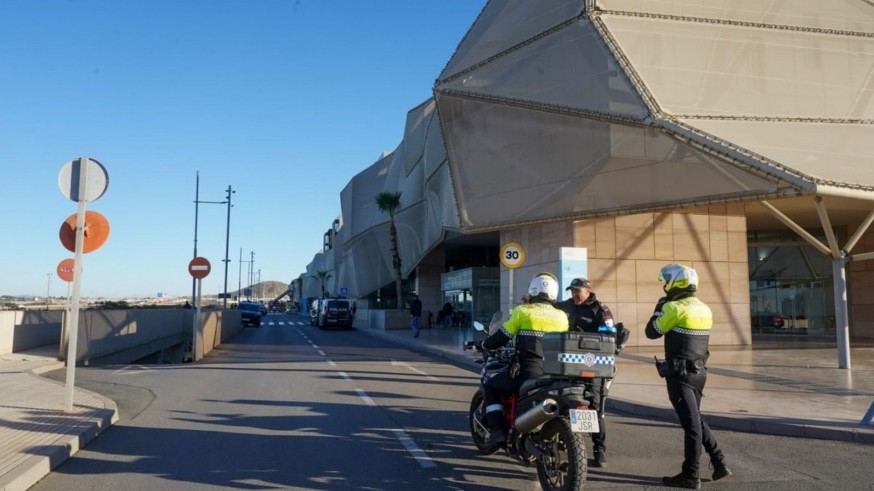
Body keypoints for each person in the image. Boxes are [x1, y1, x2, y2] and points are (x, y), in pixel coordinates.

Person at [645, 263, 732, 489]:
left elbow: (651, 332)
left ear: (675, 282)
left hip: (680, 375)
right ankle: (719, 461)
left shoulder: (673, 308)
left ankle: (690, 475)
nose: (664, 285)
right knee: (696, 418)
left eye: (666, 281)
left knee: (691, 425)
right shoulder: (704, 308)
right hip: (700, 373)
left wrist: (658, 308)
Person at [479, 272, 569, 446]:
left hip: (528, 371)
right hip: (553, 373)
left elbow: (502, 336)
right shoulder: (562, 316)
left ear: (533, 290)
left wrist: (484, 345)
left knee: (491, 386)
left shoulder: (522, 311)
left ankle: (498, 431)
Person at [556, 277, 614, 467]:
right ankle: (565, 442)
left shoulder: (600, 310)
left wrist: (587, 337)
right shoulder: (567, 305)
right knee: (563, 400)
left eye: (577, 290)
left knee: (595, 406)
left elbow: (609, 335)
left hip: (592, 364)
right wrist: (532, 300)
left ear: (588, 291)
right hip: (568, 363)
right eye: (572, 290)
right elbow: (550, 307)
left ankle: (599, 449)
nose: (574, 294)